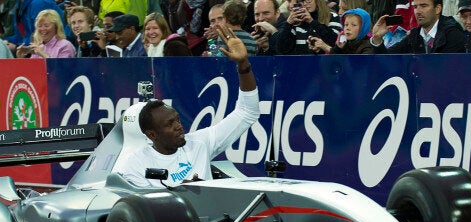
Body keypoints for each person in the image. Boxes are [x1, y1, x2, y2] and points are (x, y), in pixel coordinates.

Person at [119, 24, 258, 188]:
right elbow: (139, 209)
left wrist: (243, 64)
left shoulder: (200, 143)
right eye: (169, 124)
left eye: (177, 120)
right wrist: (180, 193)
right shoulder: (134, 165)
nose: (178, 126)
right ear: (152, 134)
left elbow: (247, 112)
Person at [370, 0, 466, 53]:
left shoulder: (453, 34)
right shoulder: (414, 35)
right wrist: (377, 38)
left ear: (437, 9)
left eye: (423, 6)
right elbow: (388, 60)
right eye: (415, 7)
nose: (418, 11)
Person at [276, 0, 342, 55]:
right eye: (301, 1)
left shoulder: (332, 16)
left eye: (308, 0)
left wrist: (312, 21)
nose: (305, 4)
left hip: (325, 64)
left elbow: (335, 42)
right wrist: (288, 24)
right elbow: (282, 49)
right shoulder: (296, 21)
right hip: (301, 66)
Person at [308, 8, 372, 53]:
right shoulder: (345, 44)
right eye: (346, 25)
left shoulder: (368, 46)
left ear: (364, 28)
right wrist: (338, 48)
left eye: (353, 25)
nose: (347, 28)